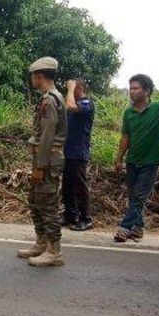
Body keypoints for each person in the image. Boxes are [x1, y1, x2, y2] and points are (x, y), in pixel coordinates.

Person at [17, 57, 67, 267]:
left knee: (47, 205)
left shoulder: (49, 100)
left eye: (33, 76)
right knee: (36, 201)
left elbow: (47, 136)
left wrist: (39, 166)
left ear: (39, 76)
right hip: (44, 157)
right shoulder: (50, 97)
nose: (31, 79)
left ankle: (54, 251)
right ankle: (41, 243)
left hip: (47, 159)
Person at [113, 74, 159, 243]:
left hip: (150, 162)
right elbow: (125, 138)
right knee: (133, 198)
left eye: (136, 88)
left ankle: (124, 227)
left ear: (147, 91)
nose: (131, 91)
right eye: (130, 88)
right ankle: (137, 229)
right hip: (132, 161)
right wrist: (119, 159)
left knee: (138, 197)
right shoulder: (128, 113)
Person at [62, 79, 95, 231]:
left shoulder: (87, 102)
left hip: (79, 152)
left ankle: (86, 218)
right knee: (67, 186)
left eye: (71, 89)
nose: (68, 92)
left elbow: (70, 106)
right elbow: (65, 109)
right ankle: (70, 215)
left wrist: (70, 88)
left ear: (78, 88)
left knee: (80, 186)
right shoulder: (72, 104)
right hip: (68, 151)